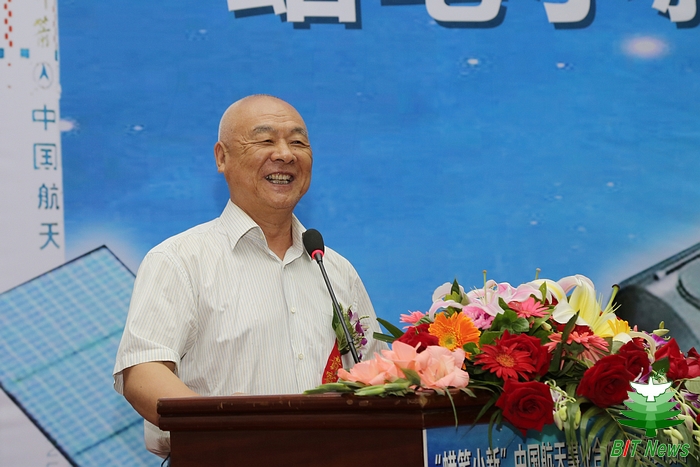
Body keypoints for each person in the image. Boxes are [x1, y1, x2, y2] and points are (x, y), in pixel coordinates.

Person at [113, 95, 386, 457]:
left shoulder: (334, 269)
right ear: (222, 157)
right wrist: (227, 432)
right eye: (265, 140)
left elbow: (376, 374)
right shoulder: (180, 259)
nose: (285, 154)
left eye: (298, 142)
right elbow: (143, 373)